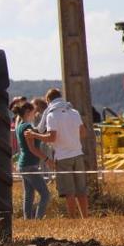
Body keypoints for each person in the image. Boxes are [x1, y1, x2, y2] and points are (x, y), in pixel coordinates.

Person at [25, 89, 89, 218]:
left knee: (69, 192)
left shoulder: (52, 115)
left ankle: (72, 218)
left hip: (63, 157)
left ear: (48, 100)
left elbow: (51, 137)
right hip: (78, 153)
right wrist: (71, 138)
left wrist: (34, 135)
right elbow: (83, 133)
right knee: (81, 190)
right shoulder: (74, 112)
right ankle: (85, 217)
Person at [12, 102, 51, 220]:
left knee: (29, 194)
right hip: (30, 165)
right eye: (34, 112)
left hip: (24, 164)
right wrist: (47, 159)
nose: (35, 114)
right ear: (28, 112)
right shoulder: (27, 127)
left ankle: (27, 219)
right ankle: (38, 219)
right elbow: (32, 148)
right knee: (45, 194)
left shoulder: (20, 126)